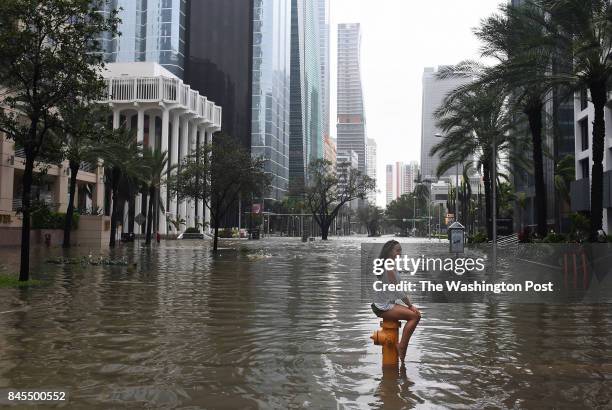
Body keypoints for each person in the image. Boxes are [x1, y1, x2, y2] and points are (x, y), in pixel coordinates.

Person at [371, 240, 421, 365]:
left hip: (387, 303)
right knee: (415, 316)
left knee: (415, 314)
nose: (400, 253)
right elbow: (397, 290)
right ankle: (402, 346)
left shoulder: (390, 264)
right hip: (383, 306)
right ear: (389, 251)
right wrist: (410, 305)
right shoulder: (389, 265)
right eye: (397, 250)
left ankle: (400, 349)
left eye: (400, 250)